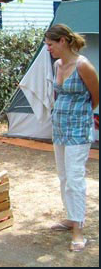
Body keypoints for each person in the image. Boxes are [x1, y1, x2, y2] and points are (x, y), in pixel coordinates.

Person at [44, 24, 99, 252]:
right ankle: (70, 217)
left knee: (75, 179)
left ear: (63, 42)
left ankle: (78, 230)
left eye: (50, 45)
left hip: (78, 131)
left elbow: (95, 97)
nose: (48, 49)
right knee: (64, 176)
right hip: (60, 129)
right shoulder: (57, 64)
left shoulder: (83, 65)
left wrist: (79, 114)